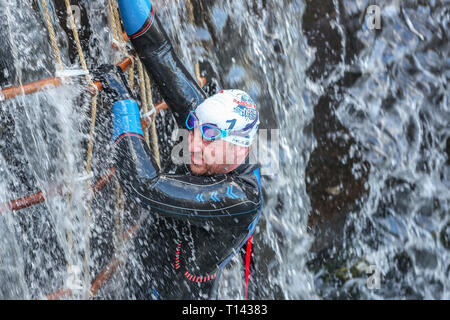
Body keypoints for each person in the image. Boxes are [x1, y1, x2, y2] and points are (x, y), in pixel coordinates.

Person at [95, 0, 263, 299]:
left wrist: (124, 102)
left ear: (239, 150)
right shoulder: (209, 127)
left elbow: (145, 186)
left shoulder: (240, 198)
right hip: (154, 265)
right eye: (194, 131)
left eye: (208, 140)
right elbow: (159, 53)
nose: (193, 145)